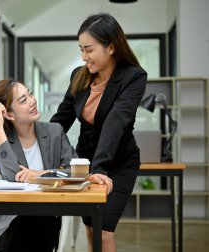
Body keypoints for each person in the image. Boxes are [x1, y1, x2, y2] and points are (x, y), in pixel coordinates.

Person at [0, 79, 112, 252]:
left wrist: (40, 174)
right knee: (30, 222)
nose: (32, 101)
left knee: (41, 221)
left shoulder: (54, 132)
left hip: (44, 223)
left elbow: (75, 170)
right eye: (23, 100)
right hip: (9, 225)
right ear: (10, 115)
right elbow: (13, 176)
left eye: (30, 94)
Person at [50, 13, 147, 252]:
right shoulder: (78, 77)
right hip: (87, 165)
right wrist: (36, 145)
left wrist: (100, 169)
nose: (84, 57)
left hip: (119, 164)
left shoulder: (133, 77)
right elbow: (61, 120)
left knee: (103, 232)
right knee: (92, 230)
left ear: (111, 47)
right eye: (81, 50)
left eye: (89, 50)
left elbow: (116, 122)